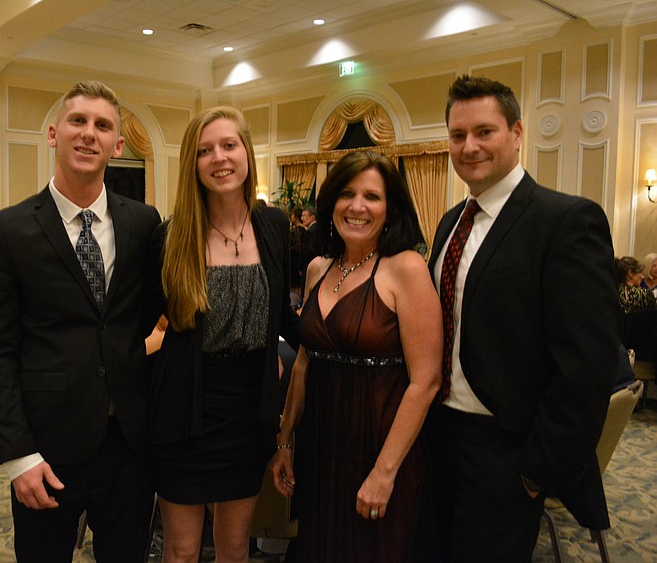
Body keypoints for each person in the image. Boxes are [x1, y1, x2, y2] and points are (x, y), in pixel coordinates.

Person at [429, 75, 618, 562]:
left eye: (484, 132)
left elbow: (585, 366)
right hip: (438, 438)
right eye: (457, 135)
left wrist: (537, 472)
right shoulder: (451, 222)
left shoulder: (565, 221)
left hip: (506, 452)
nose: (469, 147)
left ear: (516, 133)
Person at [0, 80, 161, 563]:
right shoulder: (8, 229)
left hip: (128, 448)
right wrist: (19, 456)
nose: (88, 134)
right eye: (78, 121)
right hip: (46, 450)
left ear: (118, 145)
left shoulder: (143, 224)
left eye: (102, 126)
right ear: (54, 134)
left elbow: (145, 320)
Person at [269, 151, 443, 562]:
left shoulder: (406, 268)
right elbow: (304, 366)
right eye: (347, 193)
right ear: (330, 204)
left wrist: (384, 473)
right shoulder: (317, 268)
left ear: (391, 208)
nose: (358, 206)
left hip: (381, 447)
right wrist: (285, 443)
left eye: (372, 196)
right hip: (321, 448)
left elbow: (426, 381)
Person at [147, 106, 299, 563]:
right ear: (192, 166)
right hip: (183, 415)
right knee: (181, 548)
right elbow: (136, 322)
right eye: (204, 150)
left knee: (235, 546)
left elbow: (286, 318)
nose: (219, 158)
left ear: (247, 153)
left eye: (229, 145)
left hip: (248, 417)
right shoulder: (171, 237)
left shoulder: (273, 226)